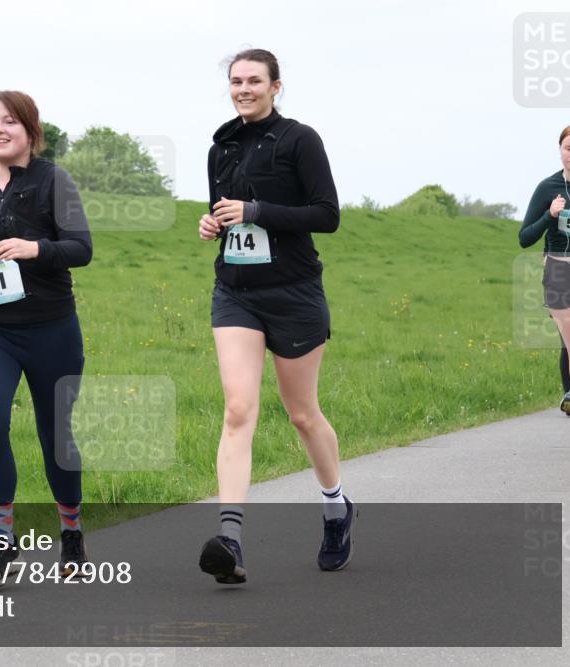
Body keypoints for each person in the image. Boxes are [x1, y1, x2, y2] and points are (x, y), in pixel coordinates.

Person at [196, 49, 352, 584]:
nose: (243, 88)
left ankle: (336, 508)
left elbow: (327, 214)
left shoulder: (300, 140)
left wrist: (256, 212)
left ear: (275, 86)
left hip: (294, 292)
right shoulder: (221, 145)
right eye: (236, 81)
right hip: (236, 292)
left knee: (302, 413)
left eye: (254, 81)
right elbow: (226, 209)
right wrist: (213, 225)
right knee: (239, 408)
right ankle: (231, 541)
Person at [0, 90, 93, 584]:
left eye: (8, 121)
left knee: (55, 436)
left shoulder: (54, 181)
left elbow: (81, 249)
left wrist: (34, 248)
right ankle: (2, 544)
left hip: (51, 328)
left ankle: (71, 536)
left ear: (30, 130)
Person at [519, 124, 570, 420]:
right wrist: (550, 214)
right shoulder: (548, 188)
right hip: (559, 271)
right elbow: (525, 238)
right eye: (569, 149)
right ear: (560, 151)